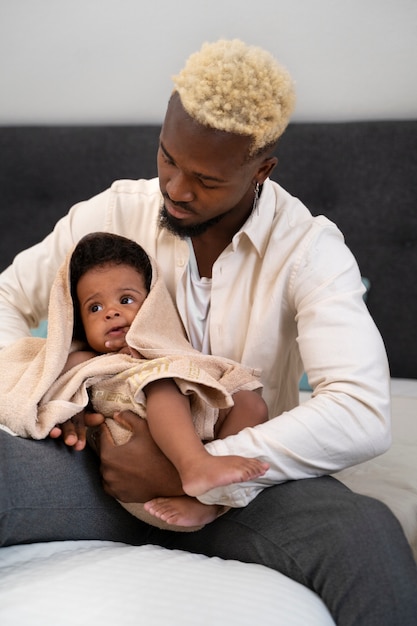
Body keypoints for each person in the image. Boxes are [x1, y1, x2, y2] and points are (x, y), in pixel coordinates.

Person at [0, 38, 416, 625]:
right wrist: (48, 382)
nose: (175, 187)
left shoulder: (308, 249)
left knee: (367, 535)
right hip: (101, 474)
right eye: (168, 158)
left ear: (261, 170)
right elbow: (6, 299)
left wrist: (196, 466)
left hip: (248, 495)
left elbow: (362, 411)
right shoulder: (110, 214)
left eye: (206, 179)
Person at [58, 231, 269, 528]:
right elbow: (52, 376)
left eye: (126, 299)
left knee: (251, 402)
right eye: (95, 307)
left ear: (153, 306)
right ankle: (194, 465)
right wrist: (70, 408)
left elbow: (191, 373)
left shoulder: (163, 352)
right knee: (160, 381)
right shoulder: (88, 358)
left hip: (196, 432)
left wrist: (147, 355)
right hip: (132, 466)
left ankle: (209, 500)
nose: (112, 312)